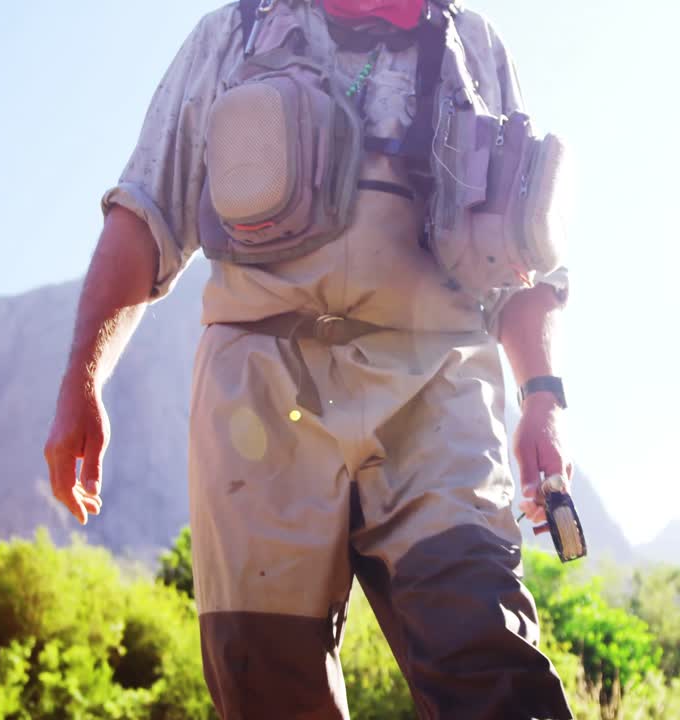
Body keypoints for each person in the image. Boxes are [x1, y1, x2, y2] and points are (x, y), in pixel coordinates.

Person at [43, 1, 576, 717]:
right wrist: (83, 382)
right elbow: (145, 214)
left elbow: (525, 252)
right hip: (259, 404)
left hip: (436, 395)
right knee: (268, 688)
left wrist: (542, 395)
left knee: (489, 654)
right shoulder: (231, 36)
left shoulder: (472, 44)